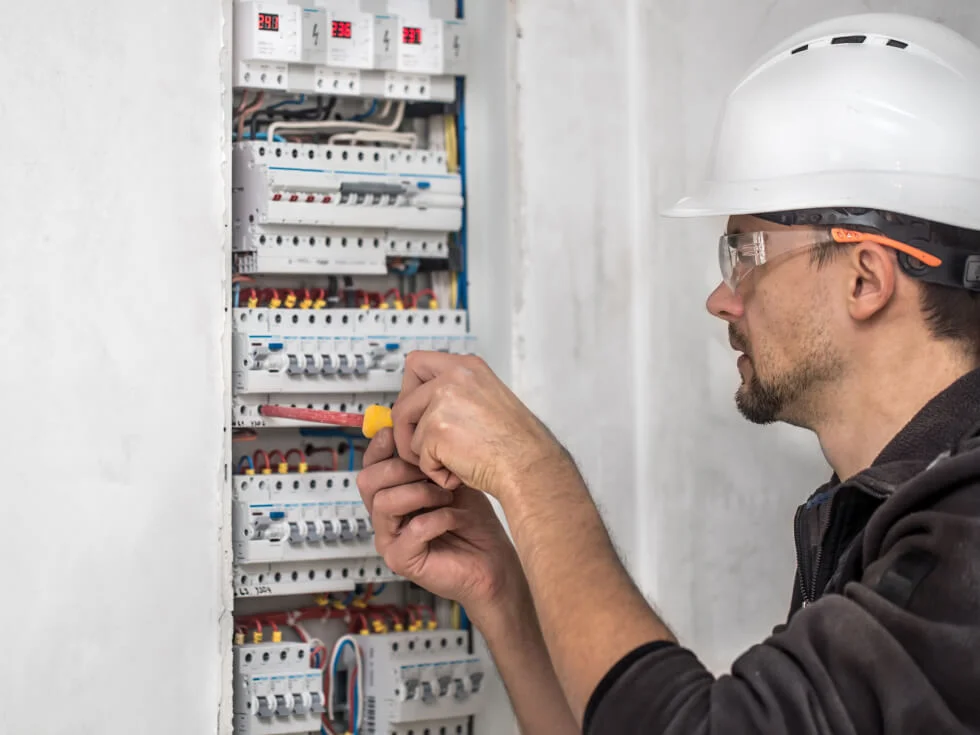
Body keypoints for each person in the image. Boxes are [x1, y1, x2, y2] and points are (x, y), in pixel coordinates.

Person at [358, 13, 980, 734]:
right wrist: (498, 588)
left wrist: (533, 472)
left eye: (745, 254)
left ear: (865, 277)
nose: (722, 298)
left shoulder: (962, 539)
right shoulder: (877, 517)